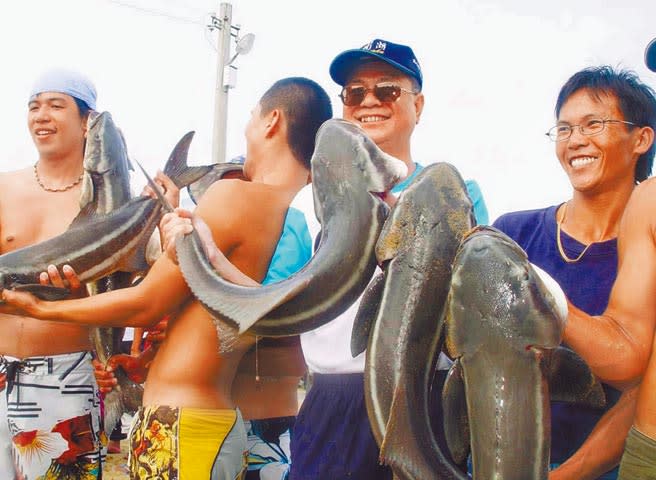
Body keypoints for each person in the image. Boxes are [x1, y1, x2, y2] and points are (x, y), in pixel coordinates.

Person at [1, 76, 333, 479]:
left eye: (250, 117)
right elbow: (212, 321)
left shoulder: (236, 196)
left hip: (185, 426)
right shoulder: (281, 212)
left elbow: (147, 304)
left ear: (272, 121)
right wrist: (147, 360)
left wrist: (40, 308)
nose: (246, 130)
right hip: (195, 420)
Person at [288, 38, 489, 480]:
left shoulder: (453, 193)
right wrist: (196, 243)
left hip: (420, 394)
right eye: (355, 93)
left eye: (387, 90)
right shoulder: (320, 207)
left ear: (418, 104)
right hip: (331, 406)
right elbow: (280, 299)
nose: (369, 102)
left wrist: (413, 224)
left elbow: (475, 298)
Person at [492, 65, 656, 479]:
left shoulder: (646, 243)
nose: (575, 140)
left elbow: (642, 391)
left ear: (641, 138)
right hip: (497, 461)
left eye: (594, 124)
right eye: (563, 129)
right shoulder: (510, 233)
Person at [0, 68, 105, 479]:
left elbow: (130, 295)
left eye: (56, 105)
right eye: (34, 106)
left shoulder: (107, 202)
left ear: (87, 122)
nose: (41, 115)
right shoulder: (4, 187)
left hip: (65, 377)